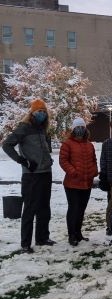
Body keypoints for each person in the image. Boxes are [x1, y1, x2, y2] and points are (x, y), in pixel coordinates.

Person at [2, 99, 54, 253]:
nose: (42, 114)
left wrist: (48, 160)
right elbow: (7, 145)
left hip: (46, 173)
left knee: (44, 208)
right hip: (31, 176)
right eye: (39, 111)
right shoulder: (24, 128)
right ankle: (25, 243)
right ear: (32, 112)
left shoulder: (42, 129)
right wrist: (22, 161)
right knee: (30, 209)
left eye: (44, 112)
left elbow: (43, 149)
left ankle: (42, 237)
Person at [59, 117, 98, 246]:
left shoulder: (89, 144)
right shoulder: (67, 144)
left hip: (86, 183)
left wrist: (94, 172)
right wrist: (73, 172)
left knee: (81, 209)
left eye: (82, 127)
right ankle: (71, 235)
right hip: (72, 183)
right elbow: (63, 161)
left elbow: (93, 160)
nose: (80, 129)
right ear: (73, 129)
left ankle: (78, 233)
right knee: (73, 209)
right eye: (77, 127)